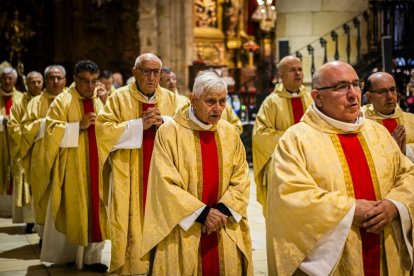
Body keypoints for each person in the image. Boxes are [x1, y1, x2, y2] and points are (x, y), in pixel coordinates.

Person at [266, 60, 414, 275]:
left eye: (356, 84)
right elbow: (290, 195)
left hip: (386, 249)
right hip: (335, 259)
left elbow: (408, 174)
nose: (353, 94)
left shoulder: (377, 133)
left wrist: (395, 205)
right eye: (341, 87)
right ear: (317, 97)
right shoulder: (296, 140)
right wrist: (349, 210)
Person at [141, 70, 253, 275]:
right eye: (211, 101)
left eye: (222, 101)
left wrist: (222, 211)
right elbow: (164, 183)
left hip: (223, 224)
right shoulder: (169, 132)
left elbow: (242, 178)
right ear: (193, 99)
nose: (218, 109)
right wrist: (202, 214)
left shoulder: (229, 133)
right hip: (185, 229)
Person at [96, 53, 187, 275]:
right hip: (129, 175)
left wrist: (164, 122)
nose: (152, 77)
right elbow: (102, 130)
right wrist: (138, 125)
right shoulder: (119, 98)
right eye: (146, 71)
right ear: (134, 72)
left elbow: (185, 128)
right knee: (131, 223)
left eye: (157, 72)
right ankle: (132, 268)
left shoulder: (173, 99)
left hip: (163, 175)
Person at [41, 60, 109, 272]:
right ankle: (68, 255)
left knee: (98, 211)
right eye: (85, 81)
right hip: (72, 167)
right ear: (75, 79)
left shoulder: (99, 101)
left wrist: (106, 103)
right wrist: (77, 126)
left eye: (94, 81)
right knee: (74, 209)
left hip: (98, 166)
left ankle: (93, 258)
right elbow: (50, 131)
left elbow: (110, 126)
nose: (90, 86)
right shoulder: (63, 100)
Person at [252, 56, 312, 214]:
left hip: (311, 161)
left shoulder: (310, 98)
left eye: (299, 69)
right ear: (281, 75)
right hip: (282, 164)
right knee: (284, 212)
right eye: (292, 70)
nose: (298, 73)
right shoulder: (272, 102)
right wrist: (294, 135)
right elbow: (260, 135)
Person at [19, 65, 66, 239]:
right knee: (44, 197)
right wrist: (47, 123)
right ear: (46, 81)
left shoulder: (71, 99)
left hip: (66, 157)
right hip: (43, 158)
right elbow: (25, 129)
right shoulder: (35, 102)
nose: (55, 81)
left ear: (65, 80)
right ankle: (44, 237)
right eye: (51, 78)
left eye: (58, 78)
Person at [7, 71, 43, 231]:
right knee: (28, 187)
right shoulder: (19, 103)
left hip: (43, 150)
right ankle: (30, 221)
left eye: (38, 82)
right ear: (26, 84)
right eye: (32, 82)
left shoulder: (46, 101)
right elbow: (13, 126)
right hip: (26, 150)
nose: (36, 85)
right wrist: (30, 134)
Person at [364, 72, 414, 161]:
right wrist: (390, 146)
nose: (390, 96)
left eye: (392, 89)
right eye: (382, 91)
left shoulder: (411, 119)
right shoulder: (362, 122)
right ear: (369, 96)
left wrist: (406, 150)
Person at [0, 67, 23, 217]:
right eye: (4, 78)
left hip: (17, 143)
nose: (7, 81)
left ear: (15, 80)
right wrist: (2, 120)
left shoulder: (22, 98)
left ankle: (16, 209)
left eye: (10, 78)